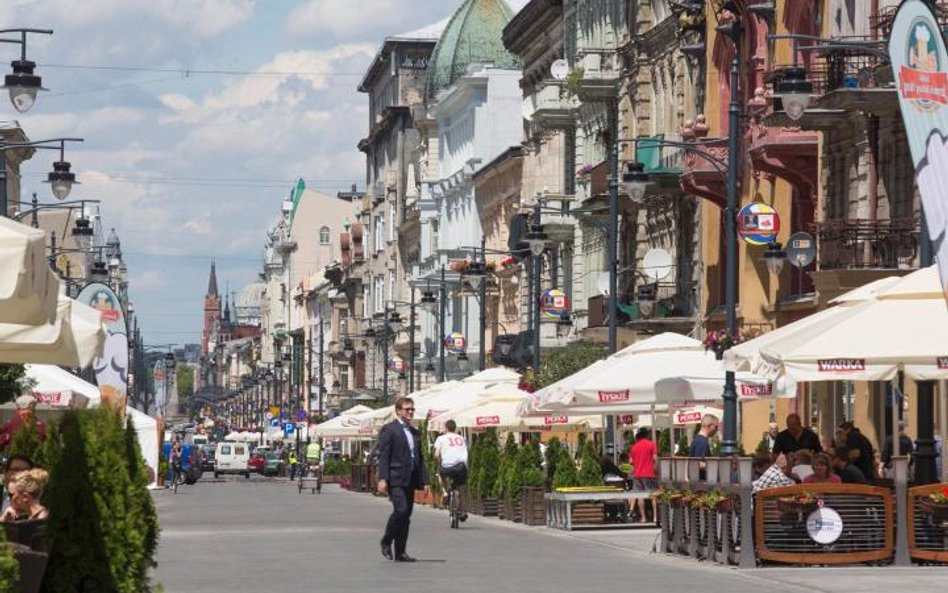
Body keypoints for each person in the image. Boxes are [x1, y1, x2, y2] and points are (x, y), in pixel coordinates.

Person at [377, 397, 428, 562]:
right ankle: (386, 540)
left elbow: (420, 458)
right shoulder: (389, 430)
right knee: (401, 510)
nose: (411, 412)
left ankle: (400, 551)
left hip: (411, 477)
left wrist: (425, 481)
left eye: (412, 409)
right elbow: (384, 455)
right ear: (398, 411)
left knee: (407, 515)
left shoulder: (415, 432)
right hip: (396, 477)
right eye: (407, 409)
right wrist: (383, 478)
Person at [433, 420, 468, 522]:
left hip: (447, 467)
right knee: (461, 488)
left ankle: (444, 492)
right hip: (461, 467)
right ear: (455, 428)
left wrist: (439, 460)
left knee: (439, 472)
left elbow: (436, 455)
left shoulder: (441, 438)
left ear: (446, 428)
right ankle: (464, 512)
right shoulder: (461, 438)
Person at [629, 427, 658, 523]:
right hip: (649, 473)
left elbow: (631, 461)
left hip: (637, 474)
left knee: (640, 496)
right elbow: (655, 458)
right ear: (647, 435)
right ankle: (655, 517)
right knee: (653, 495)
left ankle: (643, 517)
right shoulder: (651, 445)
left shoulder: (634, 447)